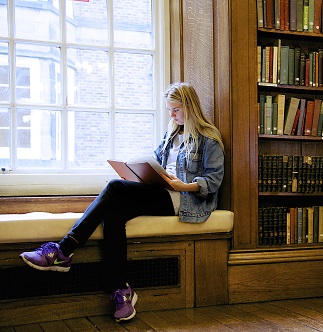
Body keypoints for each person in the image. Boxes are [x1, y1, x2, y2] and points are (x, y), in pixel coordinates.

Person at [19, 82, 225, 322]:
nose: (171, 115)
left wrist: (183, 185)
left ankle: (64, 250)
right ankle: (121, 291)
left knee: (114, 187)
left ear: (189, 108)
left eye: (175, 110)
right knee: (113, 214)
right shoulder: (170, 135)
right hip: (163, 193)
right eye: (169, 109)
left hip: (185, 200)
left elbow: (213, 181)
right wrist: (140, 174)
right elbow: (157, 164)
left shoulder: (208, 139)